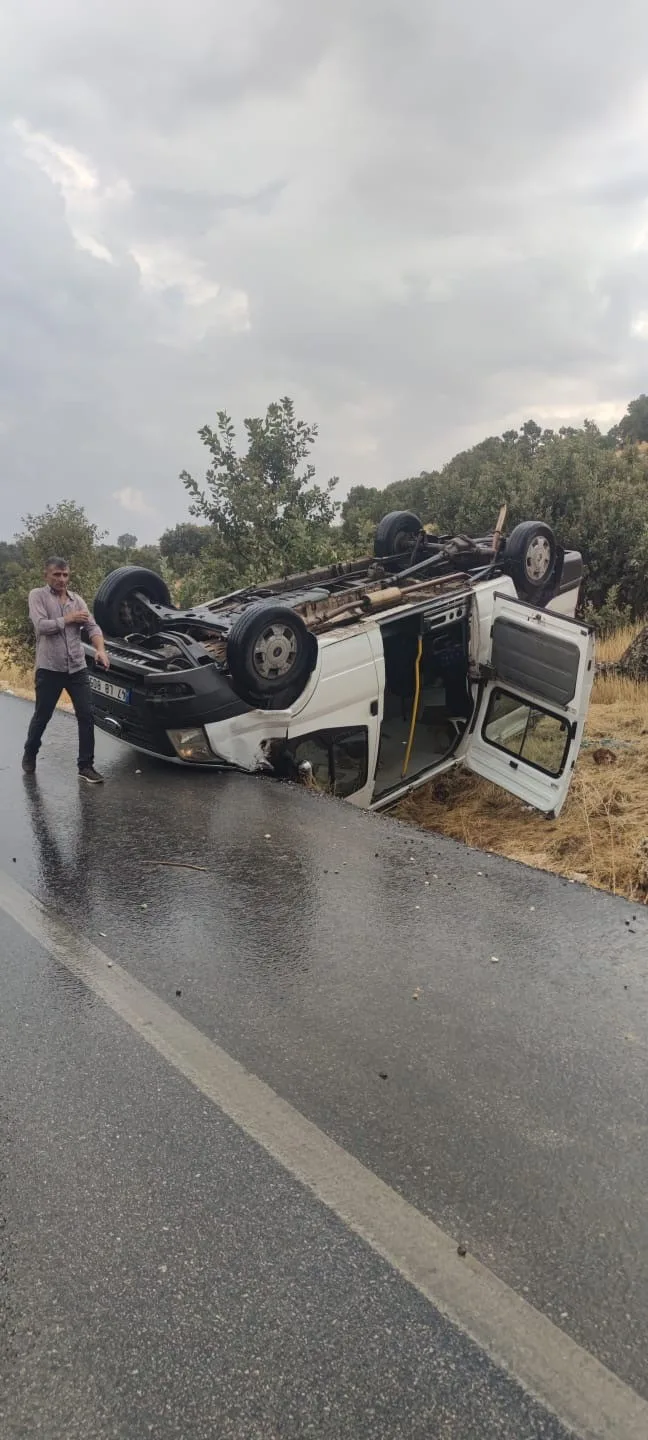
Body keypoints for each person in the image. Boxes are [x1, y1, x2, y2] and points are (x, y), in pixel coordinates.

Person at [22, 556, 110, 783]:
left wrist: (100, 650)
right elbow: (42, 627)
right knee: (43, 716)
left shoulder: (77, 600)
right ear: (47, 575)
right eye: (57, 575)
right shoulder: (37, 596)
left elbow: (92, 627)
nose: (62, 579)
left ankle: (86, 766)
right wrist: (68, 618)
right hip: (49, 669)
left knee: (87, 714)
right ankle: (30, 753)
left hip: (77, 668)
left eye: (65, 575)